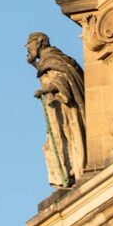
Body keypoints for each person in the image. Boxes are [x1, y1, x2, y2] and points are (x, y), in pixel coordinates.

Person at [26, 32, 86, 187]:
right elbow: (47, 72)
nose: (28, 48)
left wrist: (46, 90)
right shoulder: (48, 60)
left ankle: (70, 174)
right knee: (51, 146)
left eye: (29, 44)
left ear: (39, 42)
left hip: (65, 110)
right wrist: (34, 64)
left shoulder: (54, 58)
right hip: (55, 108)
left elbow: (62, 78)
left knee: (64, 140)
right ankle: (63, 177)